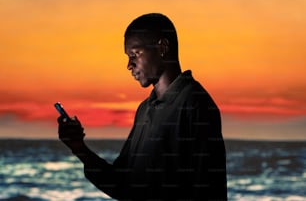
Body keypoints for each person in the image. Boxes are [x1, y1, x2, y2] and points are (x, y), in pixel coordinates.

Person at [57, 13, 228, 201]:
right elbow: (122, 184)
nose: (129, 65)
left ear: (162, 48)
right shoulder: (144, 110)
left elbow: (210, 191)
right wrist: (79, 147)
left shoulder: (196, 105)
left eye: (135, 54)